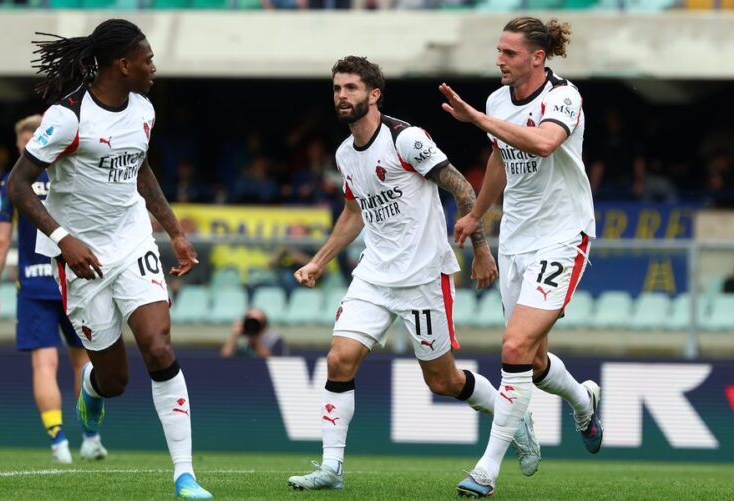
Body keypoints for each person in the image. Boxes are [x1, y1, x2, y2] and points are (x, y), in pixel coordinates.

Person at [285, 56, 540, 492]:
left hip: (423, 276)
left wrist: (480, 249)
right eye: (336, 88)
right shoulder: (346, 153)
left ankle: (511, 415)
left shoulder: (407, 140)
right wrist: (318, 261)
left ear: (374, 94)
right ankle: (331, 468)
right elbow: (353, 213)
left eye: (350, 88)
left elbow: (462, 187)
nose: (341, 96)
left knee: (443, 380)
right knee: (339, 359)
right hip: (374, 276)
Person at [6, 19, 211, 499]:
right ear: (123, 64)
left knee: (158, 347)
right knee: (115, 379)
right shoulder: (68, 117)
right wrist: (63, 239)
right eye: (148, 60)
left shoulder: (143, 109)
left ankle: (185, 474)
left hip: (134, 241)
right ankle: (92, 389)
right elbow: (17, 185)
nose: (154, 68)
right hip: (83, 259)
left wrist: (175, 232)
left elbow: (141, 169)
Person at [439, 17, 602, 497]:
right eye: (499, 51)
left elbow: (543, 141)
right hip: (515, 239)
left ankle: (486, 470)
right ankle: (583, 400)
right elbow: (499, 158)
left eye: (509, 53)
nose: (499, 60)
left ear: (537, 57)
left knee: (512, 348)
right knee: (530, 362)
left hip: (562, 237)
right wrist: (477, 215)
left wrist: (478, 120)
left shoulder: (563, 97)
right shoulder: (495, 101)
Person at [0, 114, 106, 464]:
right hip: (72, 279)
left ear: (22, 145)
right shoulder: (71, 174)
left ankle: (58, 441)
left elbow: (0, 243)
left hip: (33, 284)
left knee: (44, 365)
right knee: (83, 360)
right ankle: (91, 437)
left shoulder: (12, 182)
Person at [221, 309, 288, 358]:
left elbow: (273, 363)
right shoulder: (241, 340)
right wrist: (234, 336)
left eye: (256, 322)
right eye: (250, 321)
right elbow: (225, 359)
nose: (252, 326)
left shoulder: (274, 340)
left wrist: (257, 342)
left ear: (264, 325)